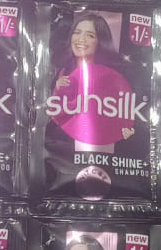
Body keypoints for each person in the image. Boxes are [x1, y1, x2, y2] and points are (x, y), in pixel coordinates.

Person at [52, 11, 136, 157]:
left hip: (109, 153)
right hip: (65, 152)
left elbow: (127, 117)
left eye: (90, 35)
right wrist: (57, 90)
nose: (81, 39)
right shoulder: (62, 72)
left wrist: (129, 130)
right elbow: (54, 115)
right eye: (77, 32)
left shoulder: (112, 77)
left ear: (100, 41)